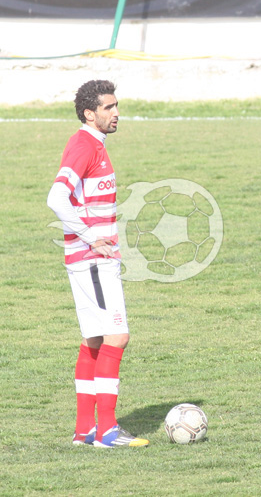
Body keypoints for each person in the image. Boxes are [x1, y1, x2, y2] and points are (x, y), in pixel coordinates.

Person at [47, 80, 148, 448]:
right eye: (108, 107)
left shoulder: (92, 144)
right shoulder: (85, 146)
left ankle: (84, 430)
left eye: (116, 105)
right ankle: (107, 430)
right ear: (90, 114)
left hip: (88, 260)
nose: (116, 113)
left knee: (93, 339)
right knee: (117, 336)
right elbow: (56, 198)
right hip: (93, 260)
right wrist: (91, 237)